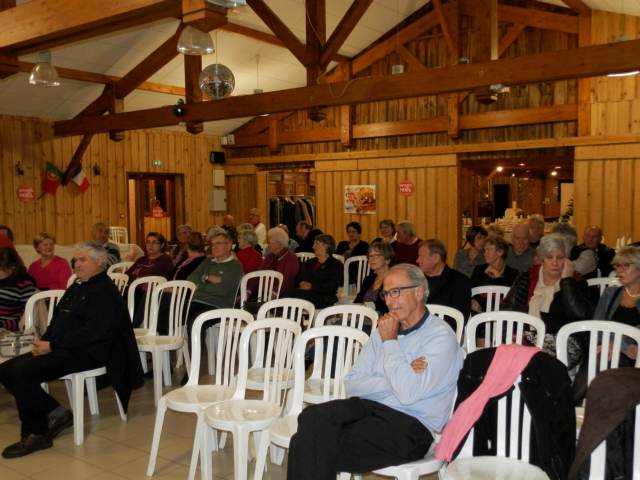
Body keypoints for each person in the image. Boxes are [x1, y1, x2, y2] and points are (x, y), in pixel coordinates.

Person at [287, 264, 464, 479]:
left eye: (395, 292)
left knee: (306, 443)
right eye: (386, 294)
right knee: (312, 416)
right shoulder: (384, 328)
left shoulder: (439, 336)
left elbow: (408, 394)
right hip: (369, 408)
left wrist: (390, 343)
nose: (389, 301)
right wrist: (399, 376)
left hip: (411, 425)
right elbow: (352, 383)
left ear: (418, 292)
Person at [0, 242, 143, 458]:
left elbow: (95, 333)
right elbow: (59, 320)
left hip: (91, 352)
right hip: (66, 346)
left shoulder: (105, 290)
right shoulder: (78, 285)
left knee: (22, 371)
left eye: (83, 259)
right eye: (75, 259)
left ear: (100, 262)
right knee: (5, 369)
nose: (77, 263)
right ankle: (56, 412)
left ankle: (37, 433)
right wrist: (44, 342)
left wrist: (53, 346)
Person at [503, 233, 593, 366]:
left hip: (563, 342)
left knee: (531, 359)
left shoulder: (576, 281)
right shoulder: (527, 278)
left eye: (560, 257)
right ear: (541, 259)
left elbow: (582, 317)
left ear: (567, 260)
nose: (555, 263)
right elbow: (508, 309)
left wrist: (567, 281)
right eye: (550, 257)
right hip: (526, 338)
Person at [186, 231, 243, 332]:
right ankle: (166, 346)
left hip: (217, 306)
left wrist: (201, 284)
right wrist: (207, 278)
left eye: (218, 243)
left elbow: (222, 290)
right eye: (212, 244)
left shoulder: (235, 266)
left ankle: (199, 348)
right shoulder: (208, 261)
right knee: (170, 313)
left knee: (195, 322)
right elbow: (191, 279)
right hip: (196, 301)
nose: (214, 247)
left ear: (229, 246)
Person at [593, 246, 640, 359]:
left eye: (626, 265)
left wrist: (619, 345)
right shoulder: (610, 293)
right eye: (618, 265)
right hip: (605, 350)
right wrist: (608, 345)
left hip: (633, 357)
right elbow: (596, 327)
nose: (619, 270)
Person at [417, 239, 472, 324]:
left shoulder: (459, 282)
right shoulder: (416, 281)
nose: (417, 260)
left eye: (421, 256)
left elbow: (459, 318)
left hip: (445, 332)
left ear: (436, 258)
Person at [126, 232, 174, 328]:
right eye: (148, 242)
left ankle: (132, 327)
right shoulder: (142, 259)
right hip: (134, 288)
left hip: (150, 291)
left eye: (154, 242)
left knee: (132, 294)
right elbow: (127, 275)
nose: (150, 245)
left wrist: (135, 280)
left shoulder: (165, 259)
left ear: (162, 245)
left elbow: (149, 276)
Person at [285, 234, 342, 309]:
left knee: (293, 296)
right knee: (288, 293)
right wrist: (300, 283)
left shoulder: (336, 264)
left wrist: (312, 287)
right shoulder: (309, 262)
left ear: (326, 246)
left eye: (316, 244)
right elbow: (298, 277)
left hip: (324, 297)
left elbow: (331, 286)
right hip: (306, 294)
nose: (313, 247)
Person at [470, 236, 518, 313]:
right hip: (480, 315)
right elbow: (471, 291)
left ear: (500, 252)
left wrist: (498, 277)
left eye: (489, 250)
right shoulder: (479, 270)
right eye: (484, 250)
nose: (485, 254)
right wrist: (474, 301)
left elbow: (507, 298)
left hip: (503, 316)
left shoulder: (513, 273)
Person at [0, 247, 36, 332]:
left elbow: (26, 318)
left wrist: (3, 324)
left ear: (12, 267)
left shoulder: (24, 286)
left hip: (6, 330)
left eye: (0, 268)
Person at [353, 241, 393, 315]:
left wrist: (367, 306)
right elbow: (358, 300)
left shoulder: (394, 280)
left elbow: (389, 307)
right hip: (363, 317)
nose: (372, 259)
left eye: (377, 255)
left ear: (387, 260)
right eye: (370, 256)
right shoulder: (368, 279)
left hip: (382, 320)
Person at [259, 227, 299, 295]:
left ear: (279, 243)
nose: (268, 245)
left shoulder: (291, 258)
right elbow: (259, 273)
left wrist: (274, 293)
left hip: (282, 294)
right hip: (264, 292)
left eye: (270, 242)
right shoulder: (269, 257)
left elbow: (287, 280)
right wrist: (248, 291)